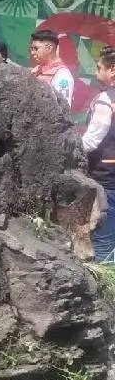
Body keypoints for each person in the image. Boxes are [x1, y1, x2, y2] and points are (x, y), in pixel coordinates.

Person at [84, 46, 115, 262]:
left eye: (99, 68)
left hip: (106, 173)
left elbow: (91, 140)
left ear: (112, 70)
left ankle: (106, 292)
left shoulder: (106, 99)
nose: (96, 73)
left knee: (102, 240)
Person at [29, 29, 75, 111]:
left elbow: (63, 109)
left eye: (36, 49)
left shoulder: (62, 75)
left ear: (49, 48)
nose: (32, 52)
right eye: (31, 49)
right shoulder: (37, 70)